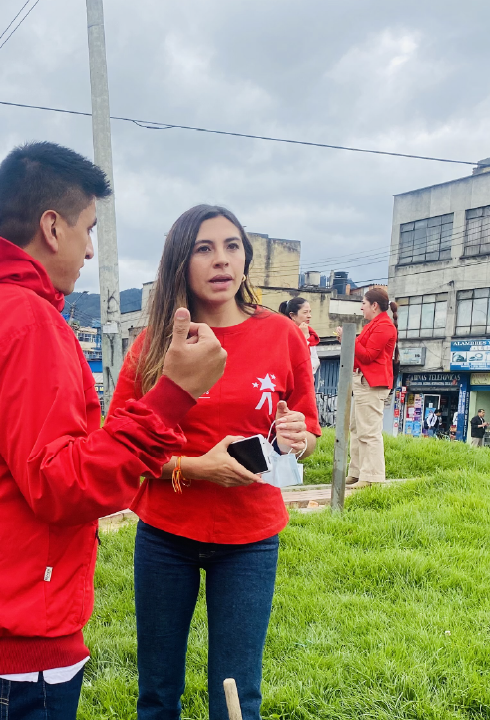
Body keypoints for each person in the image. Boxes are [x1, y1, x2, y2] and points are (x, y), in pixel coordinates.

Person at [0, 142, 226, 720]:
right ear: (52, 226)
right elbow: (65, 485)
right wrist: (174, 395)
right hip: (15, 646)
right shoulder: (24, 319)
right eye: (88, 228)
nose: (90, 249)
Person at [109, 205, 320, 720]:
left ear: (245, 259)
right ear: (181, 261)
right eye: (204, 248)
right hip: (165, 536)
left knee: (238, 693)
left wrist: (299, 436)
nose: (221, 260)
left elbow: (309, 431)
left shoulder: (282, 335)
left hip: (249, 540)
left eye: (232, 246)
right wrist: (196, 467)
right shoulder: (155, 343)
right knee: (157, 691)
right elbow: (118, 446)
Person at [334, 288, 398, 485]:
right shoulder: (375, 325)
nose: (361, 307)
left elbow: (368, 355)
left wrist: (349, 339)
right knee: (357, 428)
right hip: (364, 382)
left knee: (368, 431)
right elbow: (359, 351)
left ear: (374, 305)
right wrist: (346, 340)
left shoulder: (384, 327)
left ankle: (372, 476)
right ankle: (358, 471)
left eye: (363, 303)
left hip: (372, 383)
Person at [278, 297, 319, 375]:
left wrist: (305, 337)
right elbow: (295, 361)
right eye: (305, 312)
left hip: (307, 380)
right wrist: (302, 338)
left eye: (310, 312)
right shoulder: (284, 334)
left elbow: (314, 363)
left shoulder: (309, 334)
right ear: (292, 315)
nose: (309, 316)